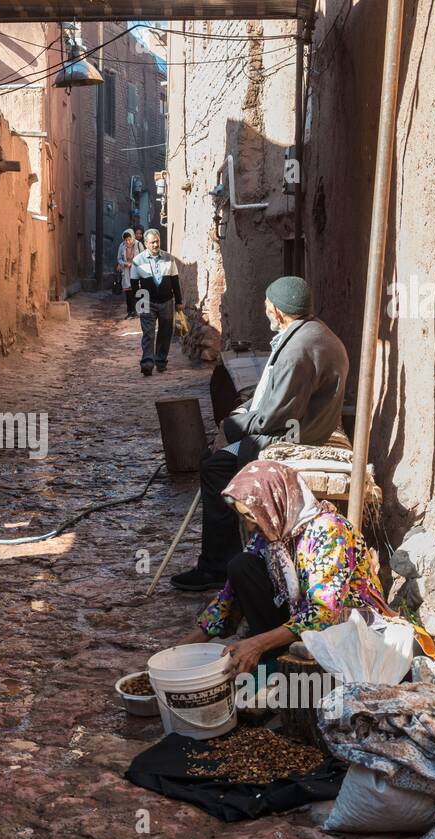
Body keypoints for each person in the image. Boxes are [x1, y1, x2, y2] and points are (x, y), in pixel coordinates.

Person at [171, 276, 348, 591]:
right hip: (301, 423)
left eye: (267, 306)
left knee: (214, 468)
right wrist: (239, 416)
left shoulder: (297, 351)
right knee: (217, 454)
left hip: (297, 436)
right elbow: (269, 396)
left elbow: (276, 417)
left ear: (278, 312)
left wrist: (231, 428)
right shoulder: (310, 331)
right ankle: (227, 555)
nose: (266, 311)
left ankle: (218, 566)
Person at [178, 460, 435, 675]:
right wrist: (183, 649)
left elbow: (324, 613)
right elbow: (229, 596)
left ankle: (275, 658)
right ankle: (275, 654)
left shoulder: (329, 531)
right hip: (301, 616)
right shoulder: (273, 532)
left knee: (317, 649)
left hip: (346, 622)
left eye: (251, 517)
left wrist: (257, 643)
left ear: (274, 502)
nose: (249, 527)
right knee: (241, 567)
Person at [130, 228, 181, 375]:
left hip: (166, 301)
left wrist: (179, 301)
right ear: (145, 243)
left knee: (166, 332)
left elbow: (175, 281)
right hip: (146, 301)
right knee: (148, 333)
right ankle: (147, 363)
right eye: (152, 242)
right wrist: (139, 303)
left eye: (157, 241)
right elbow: (134, 284)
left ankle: (161, 361)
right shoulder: (137, 261)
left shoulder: (169, 258)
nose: (155, 245)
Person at [116, 229, 139, 319]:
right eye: (126, 240)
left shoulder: (138, 244)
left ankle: (136, 311)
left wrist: (134, 264)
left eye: (129, 239)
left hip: (136, 270)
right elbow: (119, 259)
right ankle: (130, 312)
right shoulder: (121, 246)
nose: (128, 241)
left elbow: (143, 256)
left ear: (133, 237)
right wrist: (125, 264)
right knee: (128, 292)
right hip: (126, 271)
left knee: (136, 291)